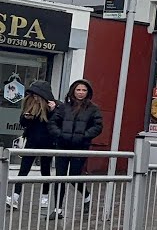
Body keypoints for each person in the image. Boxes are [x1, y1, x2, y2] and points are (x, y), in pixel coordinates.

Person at [6, 81, 60, 216]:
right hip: (31, 141)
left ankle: (45, 197)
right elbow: (22, 122)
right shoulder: (30, 103)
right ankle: (15, 197)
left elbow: (58, 122)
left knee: (45, 170)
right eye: (33, 94)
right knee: (23, 170)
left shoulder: (55, 105)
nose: (34, 97)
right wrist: (26, 117)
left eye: (37, 95)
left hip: (47, 143)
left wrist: (53, 110)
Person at [54, 79, 103, 216]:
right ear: (73, 91)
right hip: (62, 146)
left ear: (88, 92)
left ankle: (86, 196)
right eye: (78, 90)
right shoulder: (64, 107)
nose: (81, 92)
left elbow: (98, 126)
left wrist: (83, 136)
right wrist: (60, 135)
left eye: (84, 90)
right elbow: (53, 123)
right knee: (60, 177)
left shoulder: (93, 109)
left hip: (80, 147)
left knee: (74, 177)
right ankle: (57, 209)